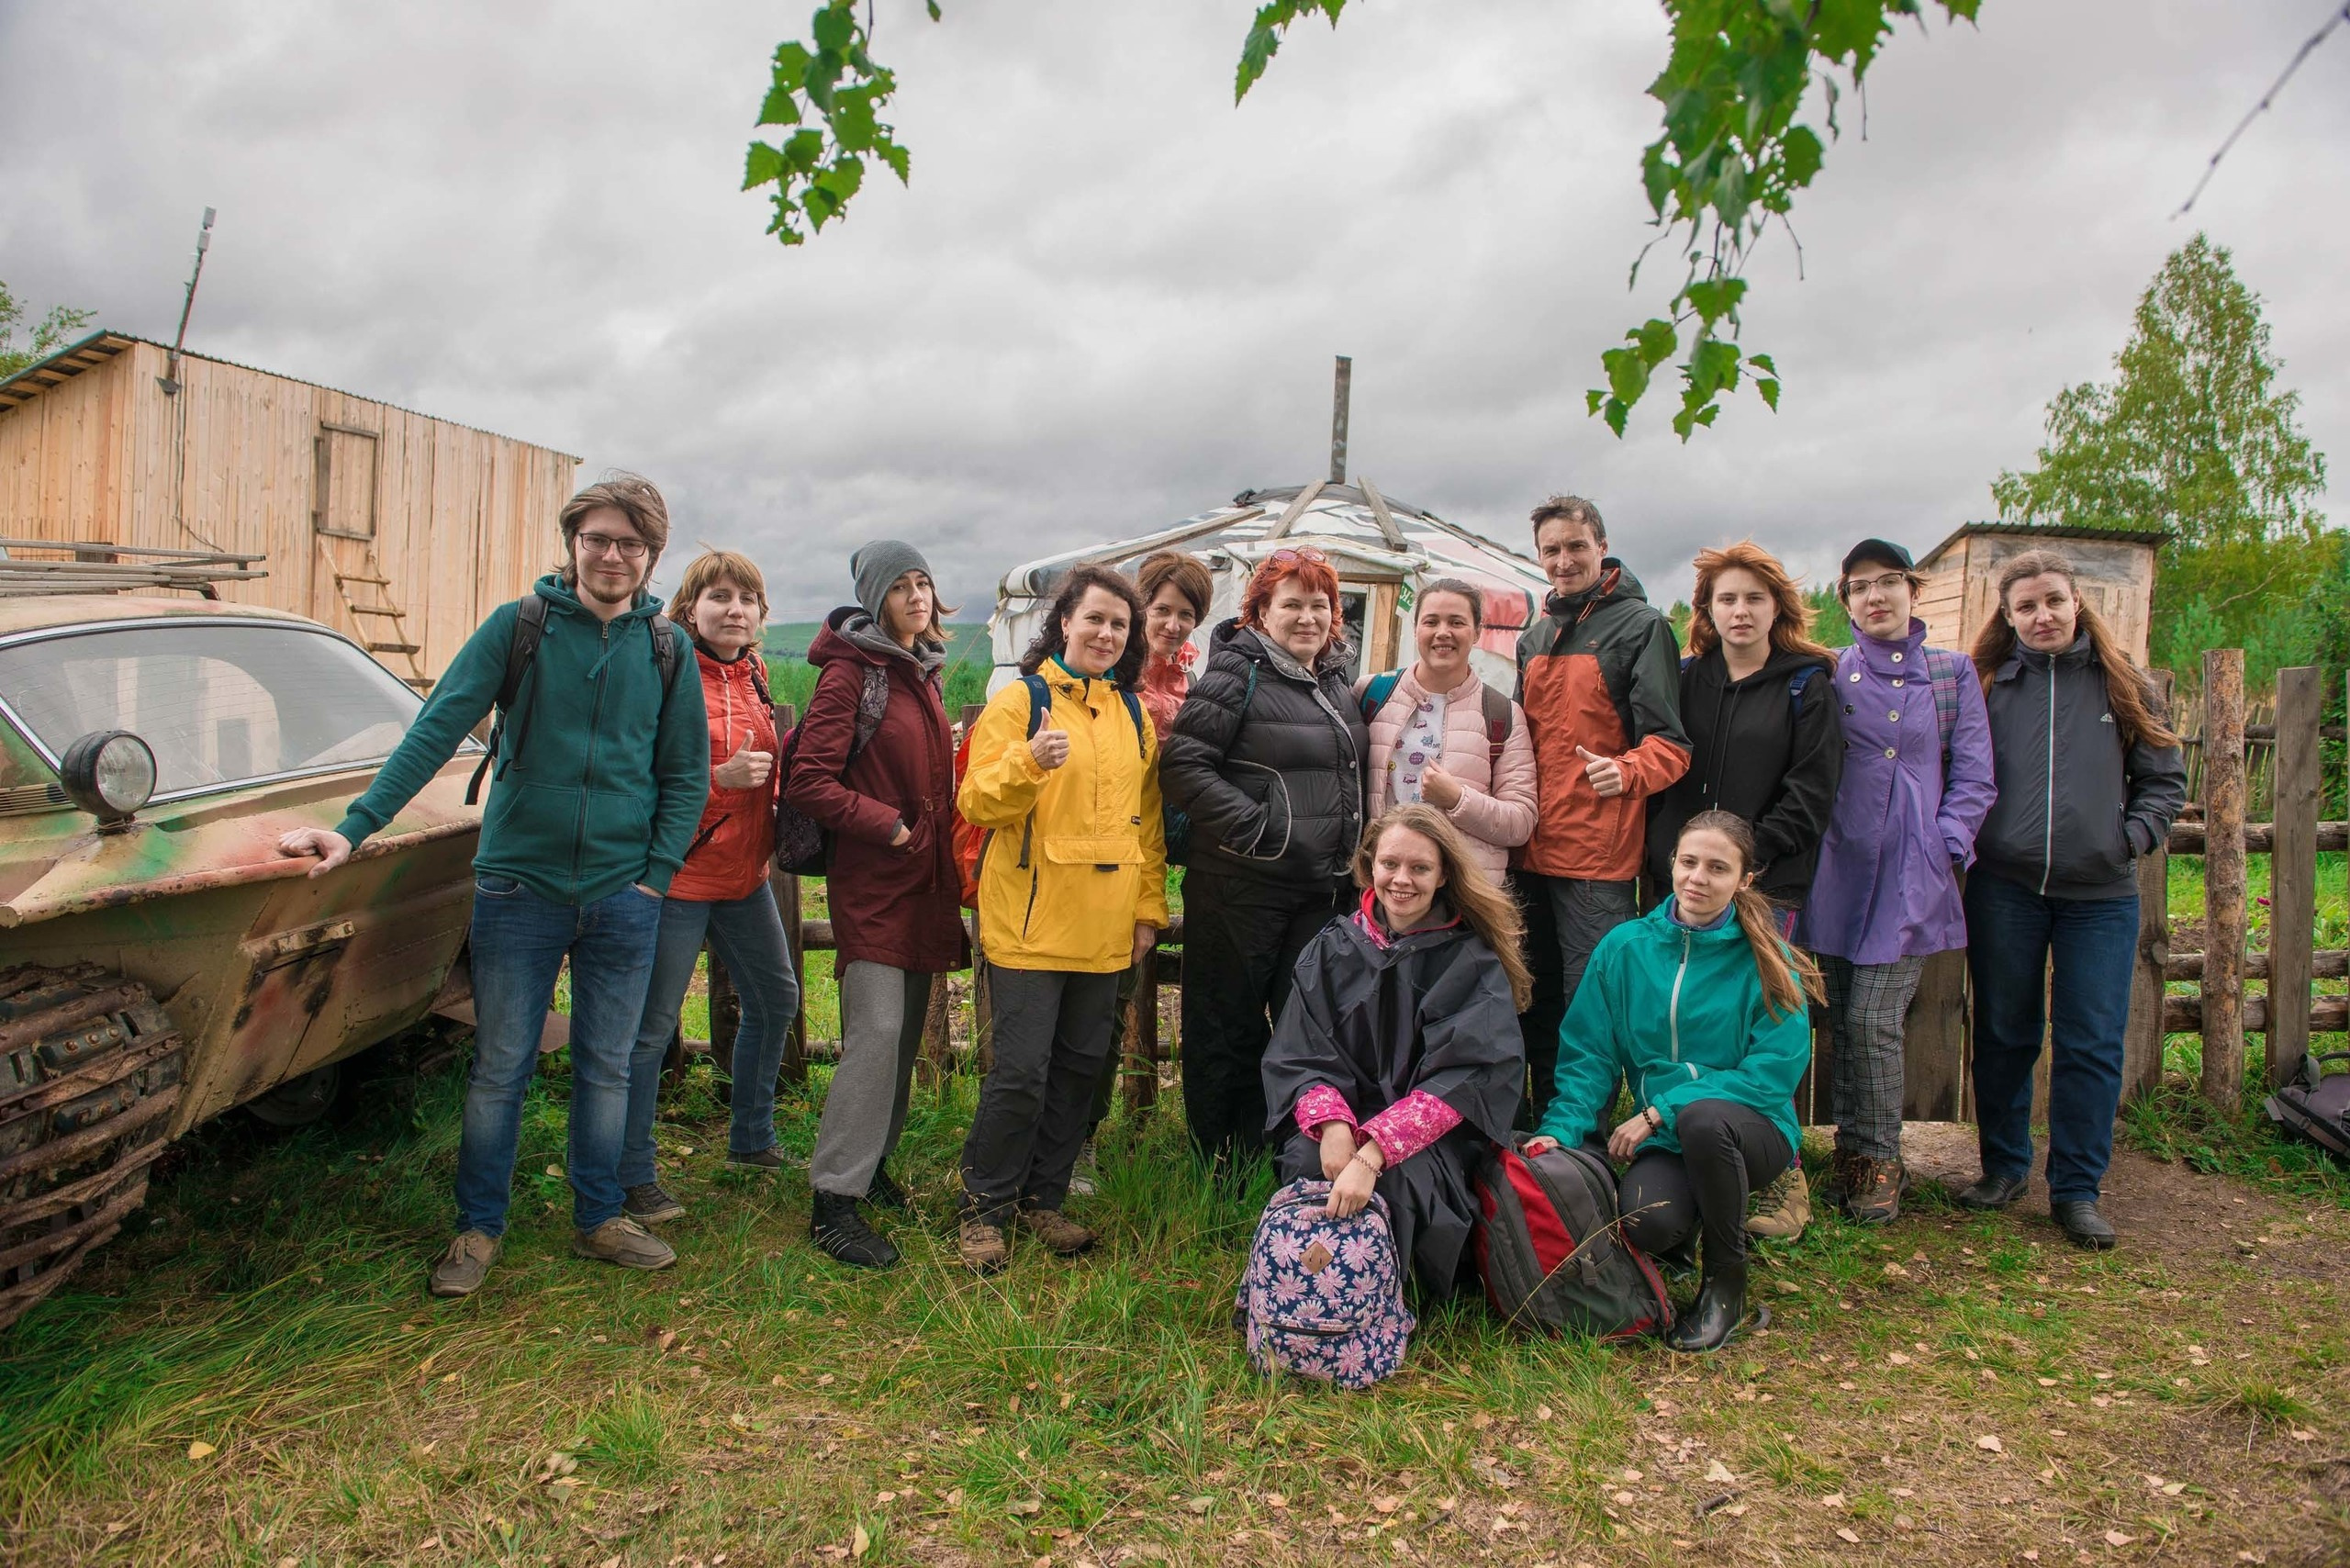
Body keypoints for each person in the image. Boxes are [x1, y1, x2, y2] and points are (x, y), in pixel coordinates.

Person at [276, 474, 707, 1297]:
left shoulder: (667, 649)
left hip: (624, 894)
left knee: (608, 1066)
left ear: (651, 556)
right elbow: (435, 728)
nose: (611, 556)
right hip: (519, 888)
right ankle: (477, 1229)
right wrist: (354, 827)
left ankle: (600, 1216)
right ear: (573, 543)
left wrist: (654, 877)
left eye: (630, 544)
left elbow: (685, 774)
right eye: (597, 539)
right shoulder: (521, 627)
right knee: (502, 1064)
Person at [1528, 811, 1822, 1353]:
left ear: (1744, 880)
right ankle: (1688, 1225)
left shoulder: (1768, 959)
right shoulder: (1624, 948)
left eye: (1717, 868)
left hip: (1752, 1131)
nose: (1697, 878)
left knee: (1703, 1119)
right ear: (1672, 864)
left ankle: (1726, 1286)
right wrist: (1561, 1130)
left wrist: (1661, 1109)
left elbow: (1772, 1075)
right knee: (1648, 1225)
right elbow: (1588, 1055)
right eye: (1689, 862)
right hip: (1668, 1139)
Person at [1961, 550, 2186, 1250]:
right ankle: (2004, 1168)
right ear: (2008, 616)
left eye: (2054, 600)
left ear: (2076, 602)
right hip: (2006, 889)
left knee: (2090, 1041)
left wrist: (2130, 839)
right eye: (2026, 606)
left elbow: (2164, 780)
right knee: (2005, 1033)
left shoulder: (2125, 684)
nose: (2043, 616)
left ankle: (2077, 1189)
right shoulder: (1988, 685)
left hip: (2101, 896)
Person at [955, 564, 1168, 1271]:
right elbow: (976, 802)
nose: (1106, 633)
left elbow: (1147, 827)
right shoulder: (1021, 701)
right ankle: (983, 1208)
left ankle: (1042, 1199)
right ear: (1065, 622)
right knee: (1020, 1073)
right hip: (1029, 922)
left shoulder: (1133, 715)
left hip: (1107, 925)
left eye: (1119, 624)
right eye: (1095, 618)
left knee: (1079, 1071)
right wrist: (1029, 760)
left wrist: (1147, 911)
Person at [1642, 541, 1842, 1239]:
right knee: (1686, 1020)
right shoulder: (1685, 679)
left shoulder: (1806, 686)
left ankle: (1782, 1173)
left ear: (1777, 608)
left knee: (1763, 1028)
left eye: (1754, 598)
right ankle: (1684, 1151)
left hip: (1763, 884)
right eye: (1726, 598)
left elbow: (1813, 787)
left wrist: (1748, 862)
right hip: (1684, 880)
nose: (1740, 611)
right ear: (1707, 609)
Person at [1801, 537, 1996, 1226]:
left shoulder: (1951, 674)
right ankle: (1852, 1153)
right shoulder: (1829, 672)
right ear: (1846, 601)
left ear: (1913, 591)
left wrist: (1944, 846)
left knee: (1873, 1019)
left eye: (1888, 581)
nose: (1875, 595)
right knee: (1843, 1019)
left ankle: (1881, 1160)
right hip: (1838, 871)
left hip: (1912, 877)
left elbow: (1975, 776)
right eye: (1859, 586)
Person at [1260, 804, 1529, 1298]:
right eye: (1390, 864)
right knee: (1308, 1158)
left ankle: (1391, 1298)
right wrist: (1333, 1126)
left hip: (1428, 1134)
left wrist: (1376, 1151)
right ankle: (1312, 1288)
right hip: (1347, 1113)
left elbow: (1467, 1078)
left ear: (1443, 874)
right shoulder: (1332, 948)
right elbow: (1301, 1050)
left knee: (1400, 1182)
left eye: (1420, 868)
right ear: (1371, 865)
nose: (1402, 880)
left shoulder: (1470, 960)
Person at [790, 542, 968, 1269]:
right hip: (874, 882)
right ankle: (833, 1201)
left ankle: (871, 1168)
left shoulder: (919, 671)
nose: (917, 596)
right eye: (900, 586)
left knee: (899, 1039)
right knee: (877, 1032)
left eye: (923, 582)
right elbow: (809, 780)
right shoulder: (851, 672)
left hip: (922, 884)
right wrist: (889, 825)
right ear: (875, 598)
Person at [1161, 547, 1368, 1168]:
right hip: (1240, 884)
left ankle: (1284, 1151)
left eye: (1319, 605)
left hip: (1317, 889)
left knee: (1307, 1025)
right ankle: (1222, 1161)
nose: (1307, 617)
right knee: (1227, 1022)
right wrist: (1261, 831)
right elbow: (1183, 766)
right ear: (1261, 612)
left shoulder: (1333, 679)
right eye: (1292, 605)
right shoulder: (1236, 673)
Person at [616, 551, 801, 1226]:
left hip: (742, 878)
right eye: (719, 597)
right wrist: (717, 780)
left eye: (747, 599)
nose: (735, 610)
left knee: (776, 999)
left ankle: (751, 1141)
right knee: (651, 1030)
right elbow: (632, 777)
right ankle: (631, 1175)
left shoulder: (754, 675)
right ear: (690, 609)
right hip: (676, 877)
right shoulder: (665, 674)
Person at [1511, 496, 1689, 1123]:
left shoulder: (1642, 628)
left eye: (1576, 547)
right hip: (1529, 846)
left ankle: (1580, 1132)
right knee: (1531, 996)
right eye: (1551, 550)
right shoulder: (1534, 636)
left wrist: (1627, 771)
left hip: (1595, 855)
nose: (1564, 560)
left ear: (1602, 547)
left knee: (1591, 1005)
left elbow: (1671, 745)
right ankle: (1540, 1124)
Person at [1071, 548, 1214, 1195]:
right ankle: (1063, 1143)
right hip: (1092, 859)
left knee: (1110, 1010)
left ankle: (1082, 1136)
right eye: (1163, 610)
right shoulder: (1110, 680)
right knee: (1079, 1013)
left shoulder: (1194, 684)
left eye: (1187, 614)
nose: (1174, 625)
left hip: (1151, 859)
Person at [1355, 577, 1538, 883]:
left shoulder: (1502, 714)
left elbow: (1520, 823)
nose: (1443, 632)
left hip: (1464, 890)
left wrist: (1457, 799)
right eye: (1431, 621)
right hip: (1389, 884)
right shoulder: (1372, 694)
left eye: (1456, 622)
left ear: (1478, 631)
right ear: (1416, 629)